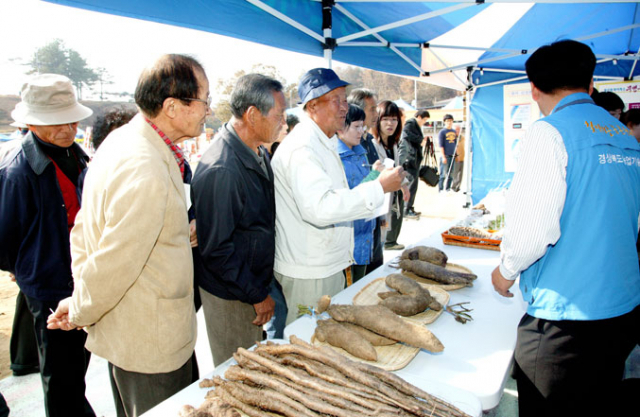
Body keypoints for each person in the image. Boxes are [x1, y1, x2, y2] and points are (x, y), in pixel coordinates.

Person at [47, 54, 208, 417]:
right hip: (150, 343)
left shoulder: (126, 141)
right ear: (171, 106)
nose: (207, 111)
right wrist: (80, 307)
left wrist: (178, 231)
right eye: (203, 101)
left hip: (137, 331)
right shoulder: (144, 165)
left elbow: (87, 230)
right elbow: (115, 260)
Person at [491, 40, 640, 417]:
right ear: (590, 84)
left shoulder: (549, 132)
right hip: (621, 309)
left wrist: (505, 272)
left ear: (534, 89)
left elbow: (532, 231)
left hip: (567, 319)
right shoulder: (624, 135)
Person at [271, 68, 405, 324]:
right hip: (310, 271)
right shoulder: (303, 148)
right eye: (337, 100)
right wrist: (378, 188)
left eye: (345, 99)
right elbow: (320, 208)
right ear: (312, 106)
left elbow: (336, 196)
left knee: (325, 337)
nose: (345, 107)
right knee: (308, 341)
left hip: (325, 264)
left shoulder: (323, 141)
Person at [0, 74, 95, 417]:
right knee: (61, 371)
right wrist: (26, 269)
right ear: (30, 123)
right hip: (49, 283)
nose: (67, 128)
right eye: (55, 122)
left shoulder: (78, 155)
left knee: (79, 361)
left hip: (80, 278)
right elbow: (5, 239)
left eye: (71, 118)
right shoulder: (17, 170)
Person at [192, 73, 285, 365]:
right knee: (239, 372)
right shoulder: (223, 168)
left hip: (248, 283)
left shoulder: (256, 150)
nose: (283, 122)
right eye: (279, 115)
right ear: (253, 115)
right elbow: (217, 251)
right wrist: (257, 294)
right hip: (233, 294)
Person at [337, 104, 380, 283]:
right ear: (340, 127)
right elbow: (351, 197)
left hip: (364, 236)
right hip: (347, 244)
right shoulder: (336, 157)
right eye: (356, 126)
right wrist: (376, 175)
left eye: (363, 126)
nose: (361, 131)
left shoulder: (361, 153)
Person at [347, 88, 385, 274]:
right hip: (355, 233)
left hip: (372, 222)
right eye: (372, 108)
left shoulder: (368, 141)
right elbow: (352, 194)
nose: (376, 113)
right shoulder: (345, 149)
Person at [372, 100, 408, 251]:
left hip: (390, 197)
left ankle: (385, 244)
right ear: (378, 120)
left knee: (386, 226)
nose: (390, 123)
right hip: (375, 198)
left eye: (394, 119)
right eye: (385, 119)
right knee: (376, 234)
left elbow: (398, 168)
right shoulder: (372, 143)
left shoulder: (393, 144)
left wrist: (405, 186)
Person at [399, 109, 430, 218]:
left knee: (413, 185)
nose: (424, 122)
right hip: (411, 159)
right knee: (411, 185)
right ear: (419, 117)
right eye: (425, 120)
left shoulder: (414, 124)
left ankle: (409, 207)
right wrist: (420, 140)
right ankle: (406, 209)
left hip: (414, 159)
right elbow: (406, 134)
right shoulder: (411, 123)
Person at [438, 114, 457, 192]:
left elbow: (455, 143)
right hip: (445, 155)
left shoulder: (454, 131)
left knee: (451, 173)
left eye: (451, 121)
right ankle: (440, 188)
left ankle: (448, 188)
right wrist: (443, 156)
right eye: (447, 121)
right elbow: (441, 145)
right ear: (444, 122)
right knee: (443, 173)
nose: (449, 122)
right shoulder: (442, 132)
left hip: (452, 155)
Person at [451, 124, 465, 192]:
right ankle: (453, 186)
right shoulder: (452, 138)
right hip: (456, 159)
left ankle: (458, 186)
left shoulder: (462, 137)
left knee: (461, 174)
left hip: (462, 157)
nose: (458, 131)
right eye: (456, 129)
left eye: (459, 129)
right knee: (455, 173)